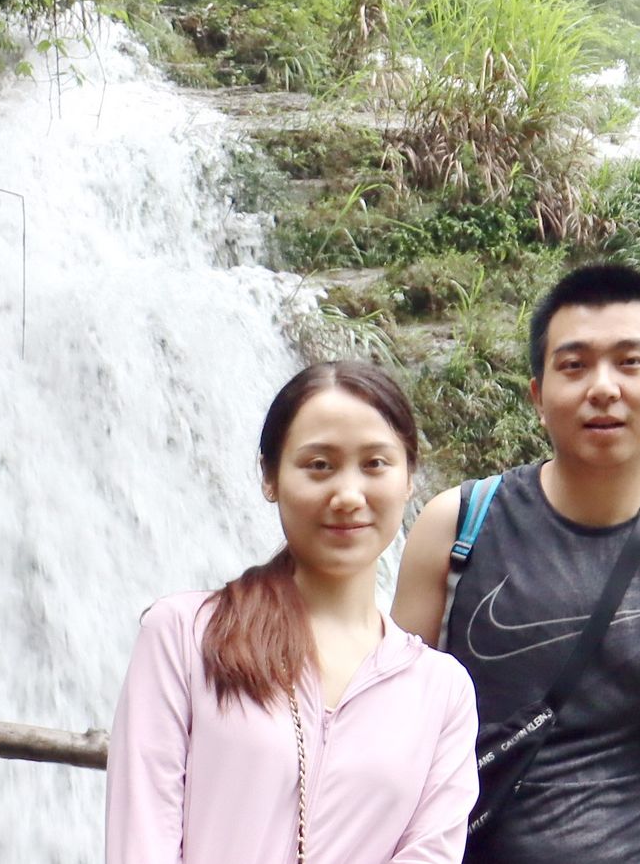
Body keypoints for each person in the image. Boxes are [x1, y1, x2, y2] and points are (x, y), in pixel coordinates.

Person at [393, 263, 640, 863]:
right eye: (574, 366)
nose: (602, 387)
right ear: (538, 395)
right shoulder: (457, 527)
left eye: (630, 362)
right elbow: (389, 728)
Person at [108, 362, 477, 864]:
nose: (348, 496)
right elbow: (142, 842)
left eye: (374, 464)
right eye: (319, 465)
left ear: (409, 478)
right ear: (270, 477)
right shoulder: (183, 636)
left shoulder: (442, 690)